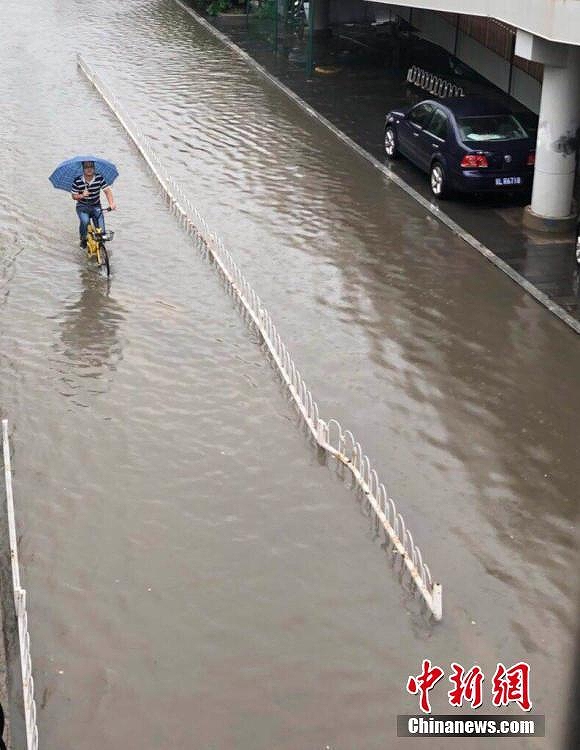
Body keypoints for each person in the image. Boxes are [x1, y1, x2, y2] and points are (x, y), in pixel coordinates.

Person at [71, 161, 116, 248]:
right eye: (86, 167)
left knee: (102, 233)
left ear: (94, 168)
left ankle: (100, 247)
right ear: (83, 169)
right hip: (82, 206)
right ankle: (83, 238)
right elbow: (74, 196)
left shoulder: (99, 178)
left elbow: (107, 191)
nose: (89, 169)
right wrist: (82, 195)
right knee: (85, 222)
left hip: (96, 206)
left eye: (91, 166)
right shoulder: (77, 180)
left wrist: (112, 204)